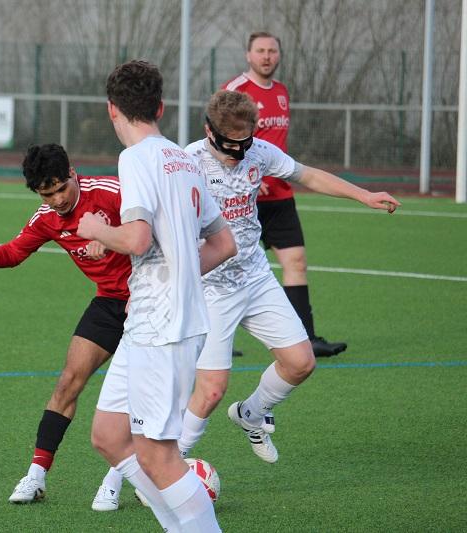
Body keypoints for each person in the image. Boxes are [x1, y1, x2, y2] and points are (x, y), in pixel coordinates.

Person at [174, 90, 400, 464]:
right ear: (209, 131)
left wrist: (364, 195)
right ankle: (170, 464)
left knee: (301, 362)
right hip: (211, 287)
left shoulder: (259, 152)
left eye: (245, 142)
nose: (239, 152)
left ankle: (251, 413)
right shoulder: (187, 163)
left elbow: (308, 175)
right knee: (211, 390)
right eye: (230, 144)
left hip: (255, 277)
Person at [77, 60, 235, 532]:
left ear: (111, 109)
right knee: (109, 435)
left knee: (158, 455)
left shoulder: (136, 158)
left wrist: (97, 228)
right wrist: (178, 274)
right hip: (147, 322)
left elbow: (138, 238)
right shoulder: (183, 158)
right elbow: (224, 243)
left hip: (162, 327)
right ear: (160, 107)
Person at [0, 143, 132, 510]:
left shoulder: (111, 191)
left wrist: (111, 236)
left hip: (151, 300)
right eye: (46, 194)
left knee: (133, 395)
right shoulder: (46, 217)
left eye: (61, 189)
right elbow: (13, 253)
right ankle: (36, 476)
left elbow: (156, 223)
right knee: (68, 382)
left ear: (73, 173)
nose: (57, 200)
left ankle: (115, 479)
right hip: (109, 302)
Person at [223, 31, 346, 358]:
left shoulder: (281, 92)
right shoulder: (236, 90)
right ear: (248, 55)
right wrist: (246, 174)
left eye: (272, 51)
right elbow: (218, 138)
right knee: (225, 266)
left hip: (279, 197)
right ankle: (215, 337)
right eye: (260, 50)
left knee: (296, 262)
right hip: (243, 199)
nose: (266, 56)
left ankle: (307, 339)